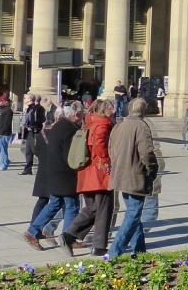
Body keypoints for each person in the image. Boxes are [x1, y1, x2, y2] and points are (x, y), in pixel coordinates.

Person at [22, 103, 81, 251]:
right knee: (72, 205)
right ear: (75, 114)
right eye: (81, 113)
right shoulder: (70, 129)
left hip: (53, 172)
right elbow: (71, 155)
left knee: (54, 203)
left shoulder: (56, 127)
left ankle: (32, 231)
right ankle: (67, 238)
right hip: (66, 173)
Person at [106, 98, 159, 259]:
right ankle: (114, 252)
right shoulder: (141, 126)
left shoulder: (119, 125)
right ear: (144, 111)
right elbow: (147, 153)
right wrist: (152, 169)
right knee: (133, 214)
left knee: (132, 213)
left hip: (121, 174)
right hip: (135, 176)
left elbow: (110, 149)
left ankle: (140, 250)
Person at [62, 100, 115, 257]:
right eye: (110, 108)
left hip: (86, 172)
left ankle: (69, 235)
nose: (113, 111)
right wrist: (106, 159)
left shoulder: (87, 123)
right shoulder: (102, 123)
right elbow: (99, 144)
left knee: (92, 208)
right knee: (104, 209)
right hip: (99, 172)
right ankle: (99, 246)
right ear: (102, 110)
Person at [20, 95, 48, 175]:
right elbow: (27, 118)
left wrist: (32, 125)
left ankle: (45, 166)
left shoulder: (38, 108)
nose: (24, 99)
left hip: (35, 132)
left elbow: (42, 119)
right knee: (28, 151)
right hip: (28, 132)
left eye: (25, 98)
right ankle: (28, 169)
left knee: (35, 150)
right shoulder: (28, 108)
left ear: (29, 99)